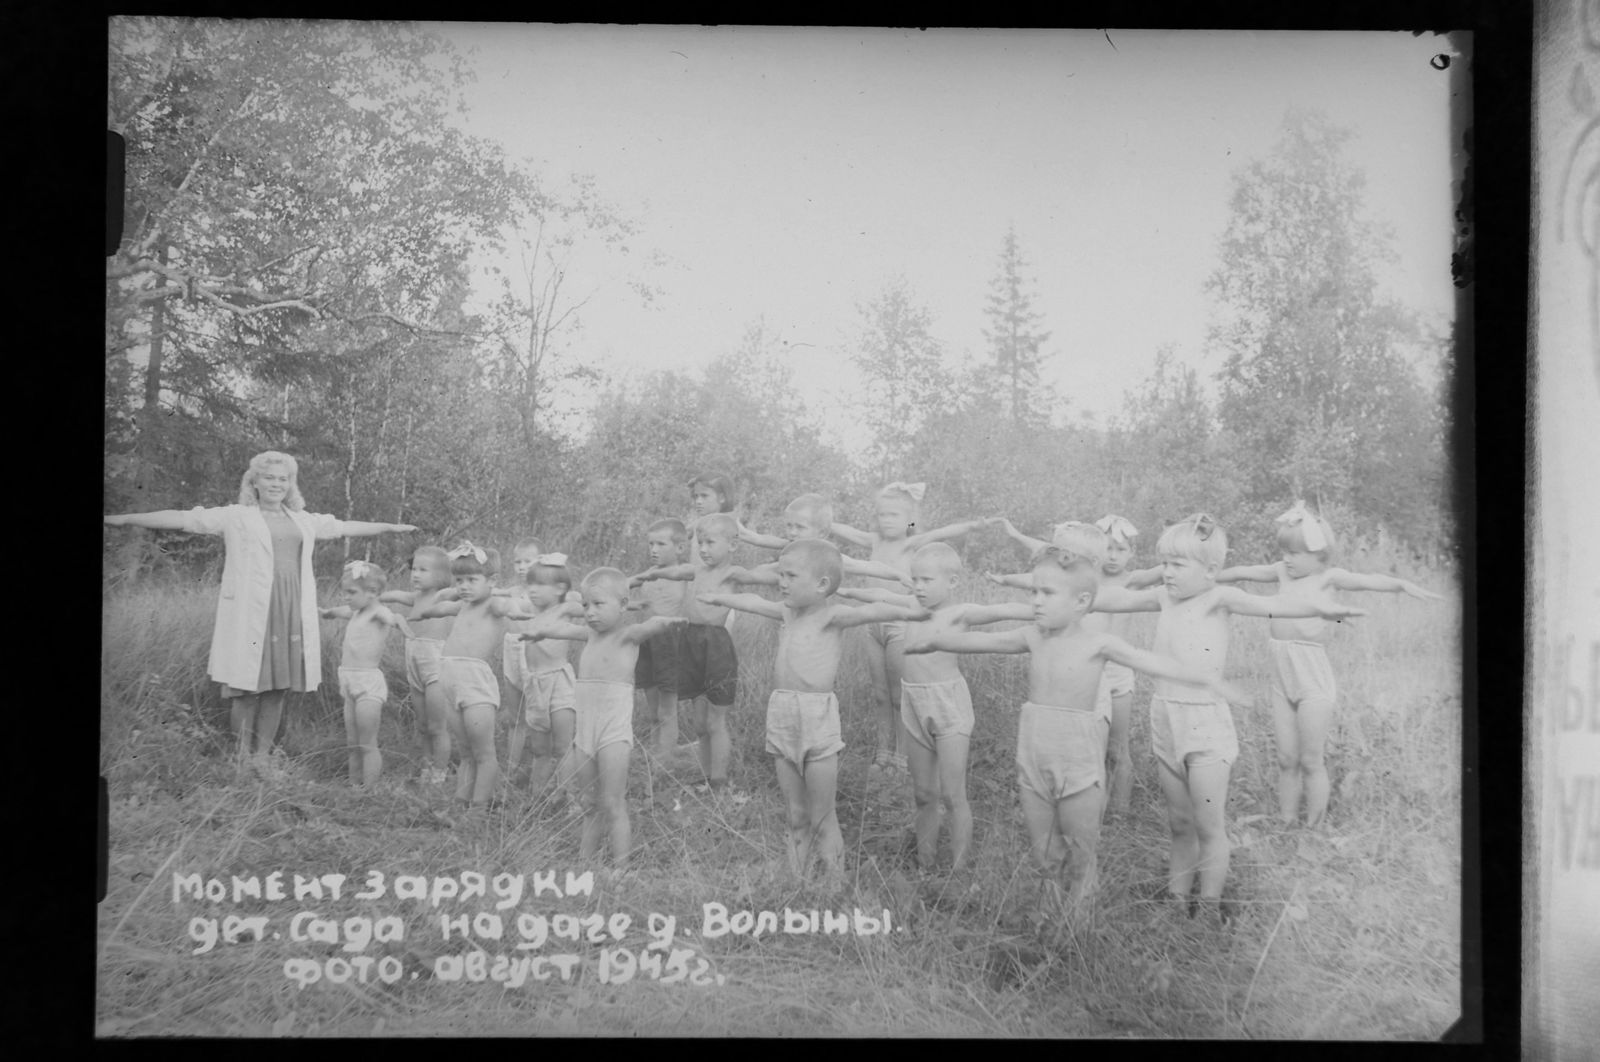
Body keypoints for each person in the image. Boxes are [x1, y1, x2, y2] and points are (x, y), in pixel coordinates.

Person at [907, 541, 1253, 921]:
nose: (1036, 601)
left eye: (1048, 593)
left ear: (1081, 601)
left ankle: (1078, 929)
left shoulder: (1098, 643)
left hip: (1078, 760)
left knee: (1081, 851)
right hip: (1034, 755)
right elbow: (981, 640)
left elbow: (1151, 661)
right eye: (1034, 591)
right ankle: (1051, 926)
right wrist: (934, 640)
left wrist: (1209, 681)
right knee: (1044, 854)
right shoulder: (1032, 636)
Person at [1088, 514, 1367, 924]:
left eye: (1178, 565)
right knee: (1179, 822)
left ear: (1212, 570)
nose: (1166, 573)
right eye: (1164, 564)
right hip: (1165, 717)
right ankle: (1176, 902)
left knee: (1207, 824)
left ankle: (1209, 909)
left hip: (1205, 725)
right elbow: (1110, 598)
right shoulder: (1164, 598)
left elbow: (1275, 603)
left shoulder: (1220, 598)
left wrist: (1333, 610)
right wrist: (1069, 593)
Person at [103, 450, 414, 772]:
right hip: (252, 613)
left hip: (290, 609)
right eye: (269, 477)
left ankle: (262, 757)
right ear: (255, 481)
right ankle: (241, 759)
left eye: (283, 479)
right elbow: (183, 518)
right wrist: (126, 519)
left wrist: (388, 527)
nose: (276, 484)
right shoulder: (236, 516)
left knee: (278, 687)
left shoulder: (302, 519)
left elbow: (344, 526)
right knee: (245, 687)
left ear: (290, 484)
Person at [699, 539, 929, 882]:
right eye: (780, 574)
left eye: (791, 575)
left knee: (823, 816)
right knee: (795, 814)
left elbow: (874, 610)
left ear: (822, 585)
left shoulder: (831, 616)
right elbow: (752, 600)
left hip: (817, 718)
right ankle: (795, 883)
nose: (782, 582)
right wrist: (718, 598)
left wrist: (918, 609)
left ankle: (836, 887)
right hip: (781, 715)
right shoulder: (785, 612)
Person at [1214, 501, 1444, 828]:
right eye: (1284, 551)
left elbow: (1368, 580)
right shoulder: (1281, 571)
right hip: (1282, 679)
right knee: (1286, 759)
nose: (1287, 559)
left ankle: (1315, 827)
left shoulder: (1328, 577)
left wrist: (1402, 585)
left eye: (1295, 553)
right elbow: (1239, 573)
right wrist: (1205, 578)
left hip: (1312, 680)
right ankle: (1287, 822)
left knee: (1310, 759)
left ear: (1319, 554)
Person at [836, 542, 1021, 874]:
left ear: (952, 582)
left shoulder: (960, 613)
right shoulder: (909, 605)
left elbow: (1005, 610)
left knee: (953, 794)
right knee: (923, 793)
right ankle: (925, 864)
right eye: (915, 579)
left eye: (926, 580)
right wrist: (839, 586)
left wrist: (1047, 608)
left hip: (948, 705)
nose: (918, 587)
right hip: (914, 702)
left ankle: (959, 873)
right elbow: (876, 598)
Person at [828, 482, 995, 783]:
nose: (886, 520)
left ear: (909, 519)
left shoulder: (910, 543)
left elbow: (941, 533)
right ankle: (883, 753)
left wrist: (973, 525)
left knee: (898, 694)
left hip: (899, 625)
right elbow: (840, 530)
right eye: (881, 514)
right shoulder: (874, 540)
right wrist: (821, 520)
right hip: (872, 625)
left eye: (894, 515)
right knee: (880, 694)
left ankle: (903, 757)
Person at [521, 568, 686, 866]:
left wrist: (667, 622)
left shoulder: (627, 636)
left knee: (612, 802)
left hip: (612, 734)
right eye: (585, 605)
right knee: (588, 804)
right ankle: (586, 863)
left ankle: (621, 868)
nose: (590, 612)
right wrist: (540, 632)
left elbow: (649, 626)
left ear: (623, 605)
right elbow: (564, 630)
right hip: (585, 735)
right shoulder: (588, 635)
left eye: (599, 604)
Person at [631, 512, 767, 793]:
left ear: (732, 546)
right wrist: (647, 575)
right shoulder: (696, 570)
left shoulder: (732, 572)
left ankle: (718, 781)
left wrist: (790, 566)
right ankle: (705, 777)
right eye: (700, 543)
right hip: (689, 641)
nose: (703, 549)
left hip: (715, 645)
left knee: (716, 719)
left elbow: (759, 577)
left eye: (710, 543)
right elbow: (675, 572)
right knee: (699, 721)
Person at [415, 543, 537, 807]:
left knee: (483, 752)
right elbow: (431, 608)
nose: (464, 586)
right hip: (449, 679)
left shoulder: (494, 603)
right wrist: (449, 592)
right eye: (459, 580)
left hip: (475, 683)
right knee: (466, 751)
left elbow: (515, 610)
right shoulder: (462, 606)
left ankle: (479, 809)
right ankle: (461, 803)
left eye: (471, 580)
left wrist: (518, 606)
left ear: (491, 581)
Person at [318, 560, 411, 787]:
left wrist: (402, 625)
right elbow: (340, 611)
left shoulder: (377, 612)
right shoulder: (356, 612)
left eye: (351, 592)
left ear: (372, 593)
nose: (346, 597)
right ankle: (354, 787)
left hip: (368, 683)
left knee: (367, 742)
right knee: (353, 742)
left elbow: (392, 618)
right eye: (344, 592)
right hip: (348, 680)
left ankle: (369, 790)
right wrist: (328, 612)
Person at [512, 554, 583, 808]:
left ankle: (573, 800)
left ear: (560, 589)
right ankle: (536, 798)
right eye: (530, 584)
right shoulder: (530, 610)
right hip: (535, 684)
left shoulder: (563, 609)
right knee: (540, 749)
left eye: (540, 585)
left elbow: (585, 605)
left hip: (558, 683)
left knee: (563, 746)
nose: (532, 590)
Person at [380, 545, 455, 784]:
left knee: (437, 725)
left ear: (441, 576)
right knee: (422, 724)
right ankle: (425, 767)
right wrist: (371, 593)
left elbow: (466, 591)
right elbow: (392, 595)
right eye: (414, 569)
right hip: (414, 662)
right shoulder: (415, 598)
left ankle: (439, 773)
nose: (415, 574)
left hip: (435, 664)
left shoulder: (442, 596)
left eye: (424, 570)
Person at [632, 519, 691, 761]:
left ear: (679, 548)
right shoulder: (648, 574)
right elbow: (621, 586)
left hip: (670, 642)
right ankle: (657, 752)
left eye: (661, 544)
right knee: (653, 708)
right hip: (647, 639)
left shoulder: (686, 574)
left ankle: (665, 759)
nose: (654, 549)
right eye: (651, 544)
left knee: (668, 707)